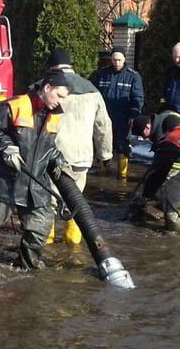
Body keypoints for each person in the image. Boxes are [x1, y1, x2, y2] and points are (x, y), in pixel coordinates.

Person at [0, 69, 71, 269]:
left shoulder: (54, 115)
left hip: (34, 183)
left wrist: (58, 158)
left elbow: (46, 145)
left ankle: (27, 266)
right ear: (47, 88)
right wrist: (6, 146)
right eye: (59, 95)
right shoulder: (14, 105)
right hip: (4, 179)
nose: (60, 101)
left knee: (40, 226)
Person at [42, 48, 112, 245]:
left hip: (50, 155)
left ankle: (46, 245)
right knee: (75, 199)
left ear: (51, 66)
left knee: (49, 201)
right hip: (81, 156)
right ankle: (73, 246)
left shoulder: (45, 87)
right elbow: (103, 124)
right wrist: (105, 154)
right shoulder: (91, 89)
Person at [90, 47, 144, 180]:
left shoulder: (133, 77)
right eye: (114, 60)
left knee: (122, 146)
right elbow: (93, 93)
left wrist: (133, 115)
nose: (116, 63)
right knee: (103, 144)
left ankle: (122, 175)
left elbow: (138, 98)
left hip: (123, 118)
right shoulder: (102, 74)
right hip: (104, 117)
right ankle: (102, 175)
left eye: (119, 60)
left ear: (124, 59)